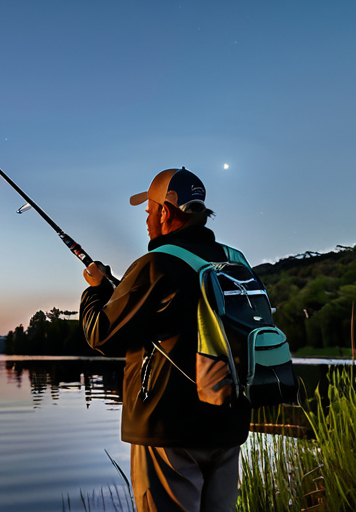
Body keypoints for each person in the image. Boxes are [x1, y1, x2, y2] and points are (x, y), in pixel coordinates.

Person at [80, 167, 251, 512]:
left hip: (169, 431)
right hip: (228, 425)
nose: (146, 220)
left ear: (165, 211)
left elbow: (101, 334)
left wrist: (95, 291)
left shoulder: (157, 264)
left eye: (148, 212)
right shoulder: (236, 263)